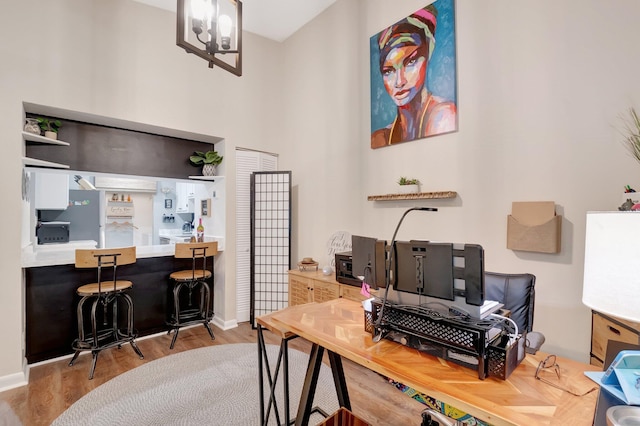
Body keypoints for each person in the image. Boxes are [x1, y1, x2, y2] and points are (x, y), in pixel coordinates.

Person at [371, 5, 457, 149]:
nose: (399, 81)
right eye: (388, 71)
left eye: (410, 62)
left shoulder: (444, 116)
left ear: (428, 53)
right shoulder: (379, 138)